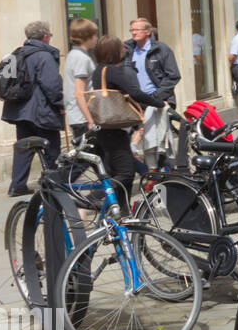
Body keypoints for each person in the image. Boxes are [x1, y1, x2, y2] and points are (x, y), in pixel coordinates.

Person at [88, 36, 167, 200]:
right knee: (126, 172)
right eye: (120, 48)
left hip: (105, 129)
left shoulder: (99, 70)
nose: (124, 51)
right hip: (114, 129)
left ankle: (122, 215)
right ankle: (92, 197)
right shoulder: (112, 70)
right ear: (113, 52)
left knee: (120, 172)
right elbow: (135, 92)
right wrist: (159, 103)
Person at [3, 20, 65, 196]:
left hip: (20, 111)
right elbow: (52, 85)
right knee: (51, 147)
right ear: (45, 36)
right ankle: (51, 183)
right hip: (41, 111)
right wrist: (61, 104)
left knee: (24, 147)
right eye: (50, 35)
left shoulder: (17, 53)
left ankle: (17, 185)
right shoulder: (44, 56)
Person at [123, 18, 181, 167]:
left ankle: (167, 175)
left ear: (148, 32)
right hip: (135, 102)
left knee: (160, 141)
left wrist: (158, 97)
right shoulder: (127, 50)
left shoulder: (161, 49)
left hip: (156, 101)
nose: (134, 32)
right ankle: (148, 172)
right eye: (132, 30)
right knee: (132, 139)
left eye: (137, 29)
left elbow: (173, 75)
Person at [63, 18, 99, 144]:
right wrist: (90, 120)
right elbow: (79, 92)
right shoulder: (81, 58)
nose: (96, 38)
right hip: (82, 117)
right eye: (94, 35)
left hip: (77, 116)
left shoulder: (73, 55)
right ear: (87, 37)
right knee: (88, 158)